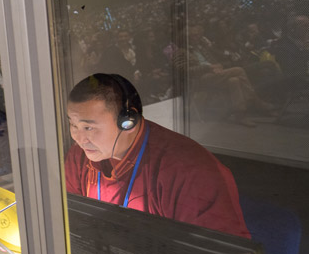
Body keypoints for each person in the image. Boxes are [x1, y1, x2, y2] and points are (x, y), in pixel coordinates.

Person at [63, 73, 250, 238]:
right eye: (73, 125)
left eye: (89, 127)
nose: (80, 139)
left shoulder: (190, 173)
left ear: (129, 123)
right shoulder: (80, 155)